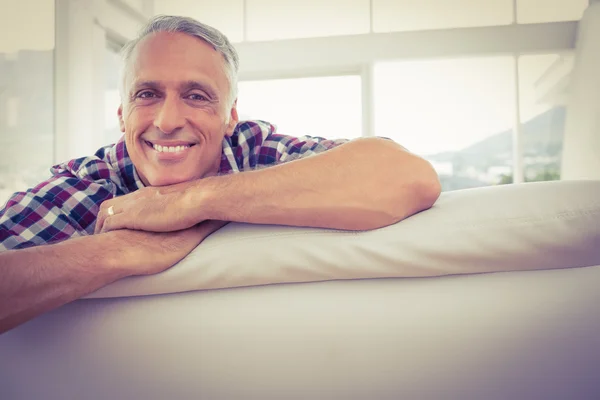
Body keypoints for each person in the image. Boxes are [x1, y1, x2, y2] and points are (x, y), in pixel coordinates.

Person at [0, 15, 441, 333]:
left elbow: (408, 175)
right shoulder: (90, 183)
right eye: (148, 94)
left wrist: (189, 201)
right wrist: (122, 250)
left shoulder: (254, 148)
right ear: (122, 114)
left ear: (230, 117)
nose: (168, 120)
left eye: (196, 96)